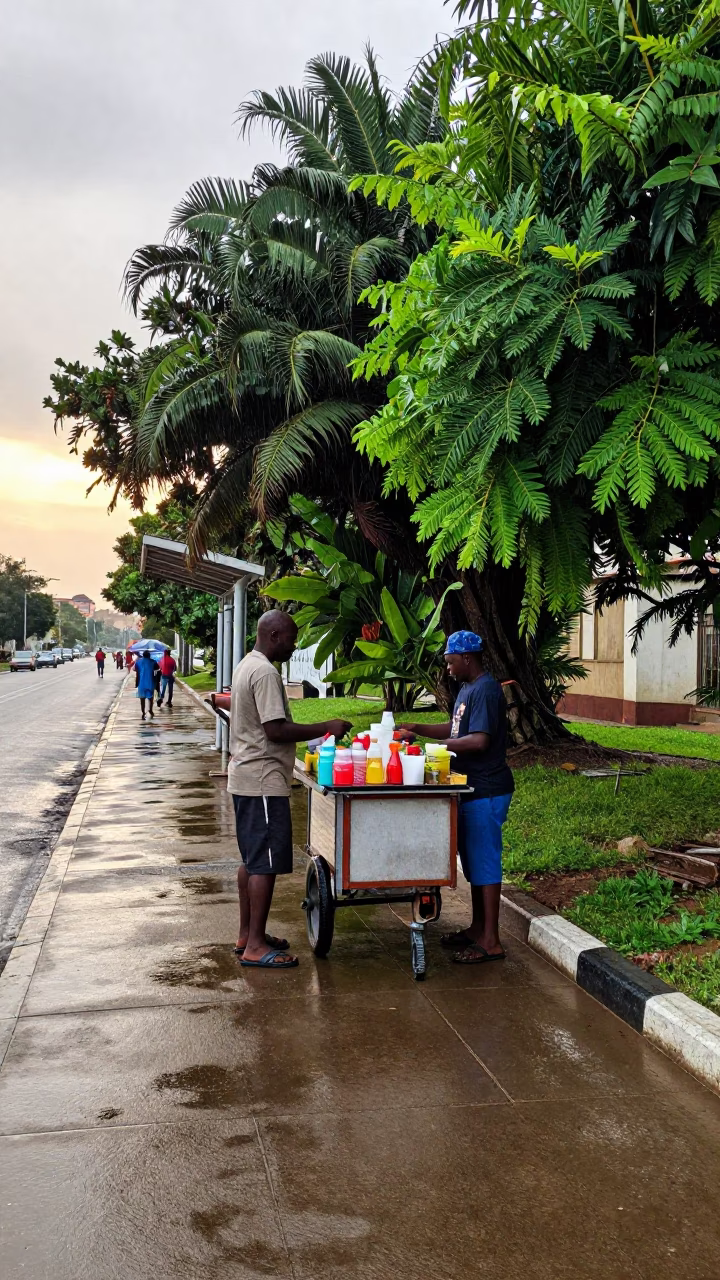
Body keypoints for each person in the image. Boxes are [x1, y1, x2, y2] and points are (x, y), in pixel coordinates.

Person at [228, 610, 351, 969]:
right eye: (291, 638)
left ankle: (247, 935)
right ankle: (254, 947)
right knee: (264, 865)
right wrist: (326, 727)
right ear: (275, 635)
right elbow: (276, 730)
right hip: (262, 780)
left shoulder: (247, 664)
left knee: (251, 861)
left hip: (246, 778)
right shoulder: (265, 672)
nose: (294, 645)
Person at [396, 630, 514, 965]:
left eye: (450, 662)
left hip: (487, 789)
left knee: (485, 863)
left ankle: (491, 941)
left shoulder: (486, 690)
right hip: (469, 787)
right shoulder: (467, 688)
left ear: (467, 658)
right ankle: (478, 928)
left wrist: (433, 748)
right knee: (474, 863)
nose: (447, 669)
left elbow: (478, 741)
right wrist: (417, 729)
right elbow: (455, 728)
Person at [135, 651, 158, 719]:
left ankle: (143, 713)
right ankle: (150, 710)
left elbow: (137, 673)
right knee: (150, 698)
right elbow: (157, 669)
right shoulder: (153, 662)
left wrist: (136, 683)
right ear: (149, 656)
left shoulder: (138, 662)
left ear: (143, 655)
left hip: (141, 683)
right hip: (150, 682)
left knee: (142, 699)